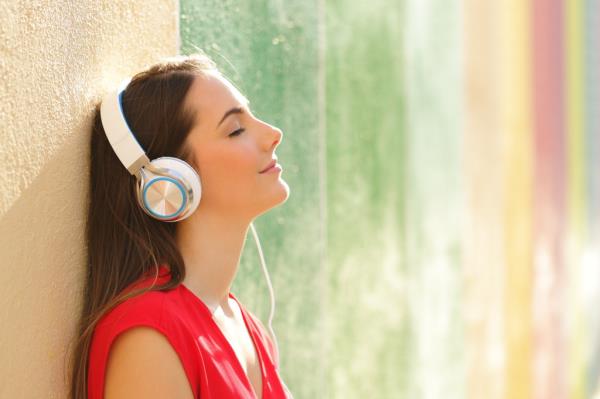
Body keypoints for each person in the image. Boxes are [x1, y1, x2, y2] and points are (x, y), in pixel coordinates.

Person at [68, 52, 292, 398]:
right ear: (169, 181)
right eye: (235, 130)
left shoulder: (249, 329)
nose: (273, 134)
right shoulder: (149, 334)